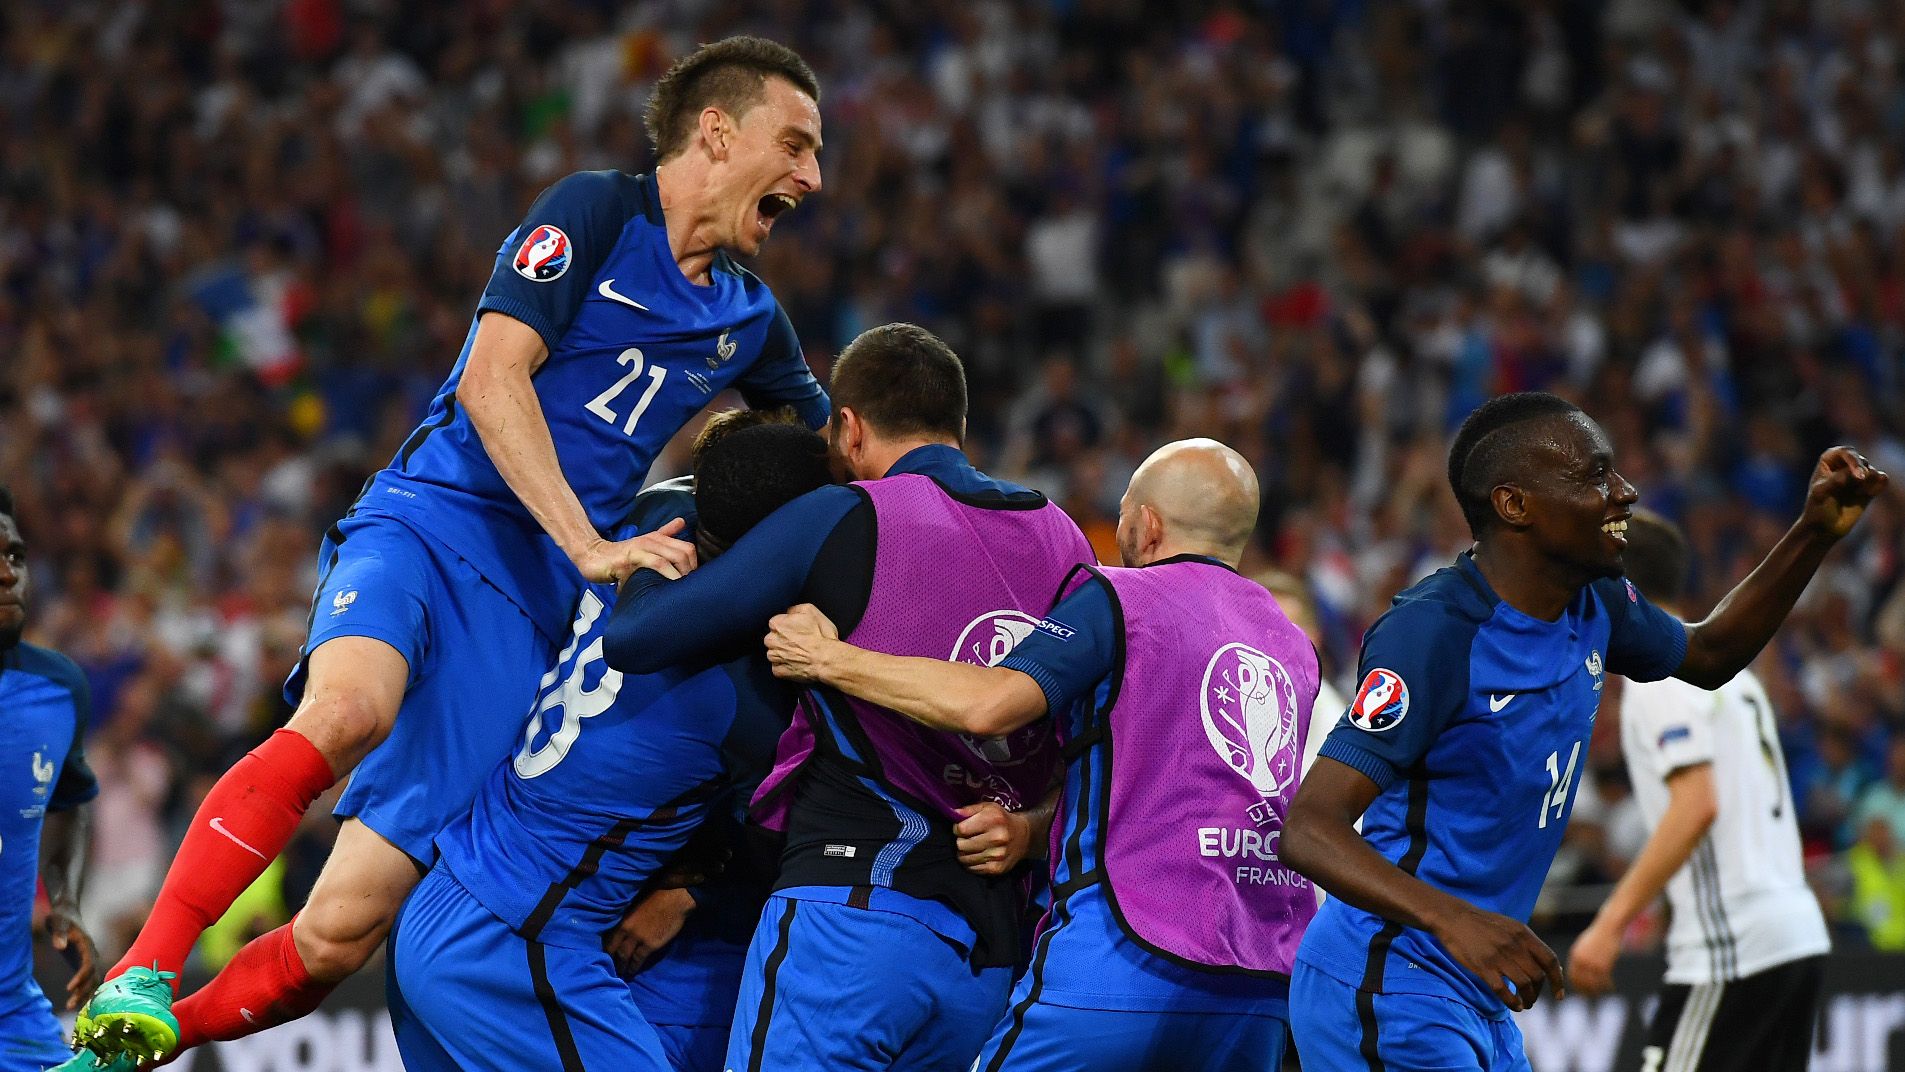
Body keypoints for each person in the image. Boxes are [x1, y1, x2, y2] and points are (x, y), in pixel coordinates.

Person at [69, 35, 830, 1065]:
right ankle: (144, 968)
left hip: (524, 613)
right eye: (795, 144)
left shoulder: (751, 320)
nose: (812, 176)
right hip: (433, 522)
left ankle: (132, 1045)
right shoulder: (596, 214)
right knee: (347, 709)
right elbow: (491, 378)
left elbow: (838, 456)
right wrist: (594, 542)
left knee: (344, 931)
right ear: (716, 130)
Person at [1281, 391, 1886, 1072]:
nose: (1623, 492)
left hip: (1477, 987)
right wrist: (1455, 920)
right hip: (1388, 977)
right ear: (1514, 505)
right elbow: (1309, 828)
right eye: (1594, 475)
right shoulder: (1432, 634)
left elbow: (1710, 653)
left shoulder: (1595, 603)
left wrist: (1811, 532)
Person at [602, 323, 1096, 1072]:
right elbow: (1096, 743)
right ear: (955, 424)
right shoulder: (1065, 539)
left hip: (853, 913)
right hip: (995, 950)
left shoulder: (846, 514)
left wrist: (648, 551)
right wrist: (1029, 826)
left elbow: (636, 640)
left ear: (850, 427)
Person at [763, 439, 1322, 1071]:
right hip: (1261, 980)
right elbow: (1172, 785)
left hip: (1123, 961)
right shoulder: (1293, 642)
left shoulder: (1122, 599)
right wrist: (1033, 831)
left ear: (1146, 523)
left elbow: (991, 705)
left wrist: (829, 659)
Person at [387, 417, 832, 1071]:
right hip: (516, 948)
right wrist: (700, 895)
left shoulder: (644, 524)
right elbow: (790, 851)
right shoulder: (742, 693)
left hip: (447, 893)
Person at [1567, 510, 1829, 1071]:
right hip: (1793, 932)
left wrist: (1608, 926)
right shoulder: (1736, 674)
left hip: (1735, 947)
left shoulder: (1659, 672)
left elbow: (1697, 805)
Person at [0, 487, 99, 1071]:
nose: (7, 574)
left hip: (14, 1017)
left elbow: (66, 800)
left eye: (14, 556)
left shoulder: (59, 689)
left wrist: (64, 901)